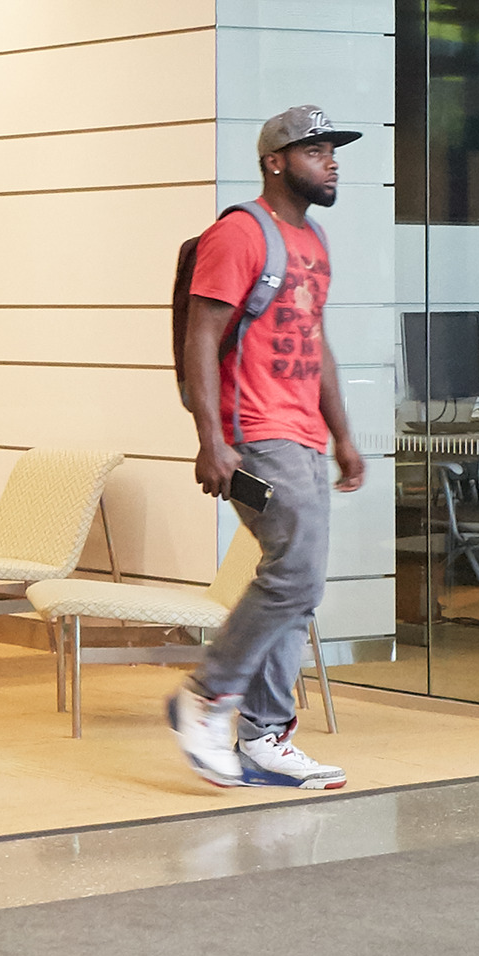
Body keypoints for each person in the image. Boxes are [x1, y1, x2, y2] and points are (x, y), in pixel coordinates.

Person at [169, 105, 369, 792]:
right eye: (315, 150)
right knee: (294, 575)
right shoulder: (239, 234)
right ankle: (205, 695)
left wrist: (342, 435)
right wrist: (211, 441)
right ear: (275, 161)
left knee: (297, 587)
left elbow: (314, 345)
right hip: (255, 435)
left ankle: (264, 737)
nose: (331, 161)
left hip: (304, 436)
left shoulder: (311, 242)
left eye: (333, 151)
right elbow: (202, 335)